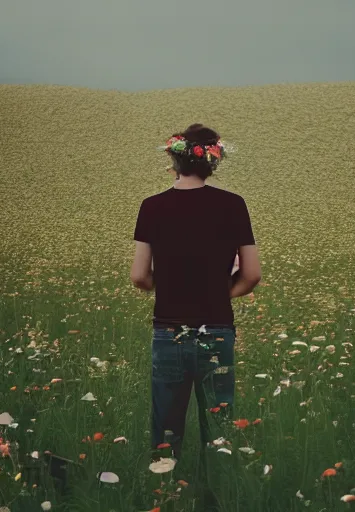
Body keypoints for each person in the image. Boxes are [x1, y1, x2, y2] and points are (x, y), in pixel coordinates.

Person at [131, 124, 261, 486]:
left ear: (174, 158)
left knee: (166, 434)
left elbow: (140, 276)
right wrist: (219, 294)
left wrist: (170, 286)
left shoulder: (152, 207)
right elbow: (251, 274)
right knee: (219, 430)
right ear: (213, 162)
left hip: (168, 331)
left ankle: (164, 496)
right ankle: (218, 498)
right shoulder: (233, 205)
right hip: (217, 330)